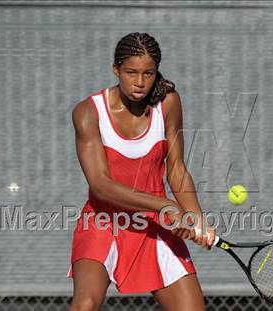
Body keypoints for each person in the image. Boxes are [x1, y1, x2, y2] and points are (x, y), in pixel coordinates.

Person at [67, 32, 216, 311]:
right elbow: (101, 185)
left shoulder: (168, 102)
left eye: (148, 73)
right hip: (103, 222)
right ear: (116, 70)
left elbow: (177, 168)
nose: (139, 82)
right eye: (131, 72)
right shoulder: (88, 112)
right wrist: (166, 205)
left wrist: (195, 217)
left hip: (156, 228)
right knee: (84, 305)